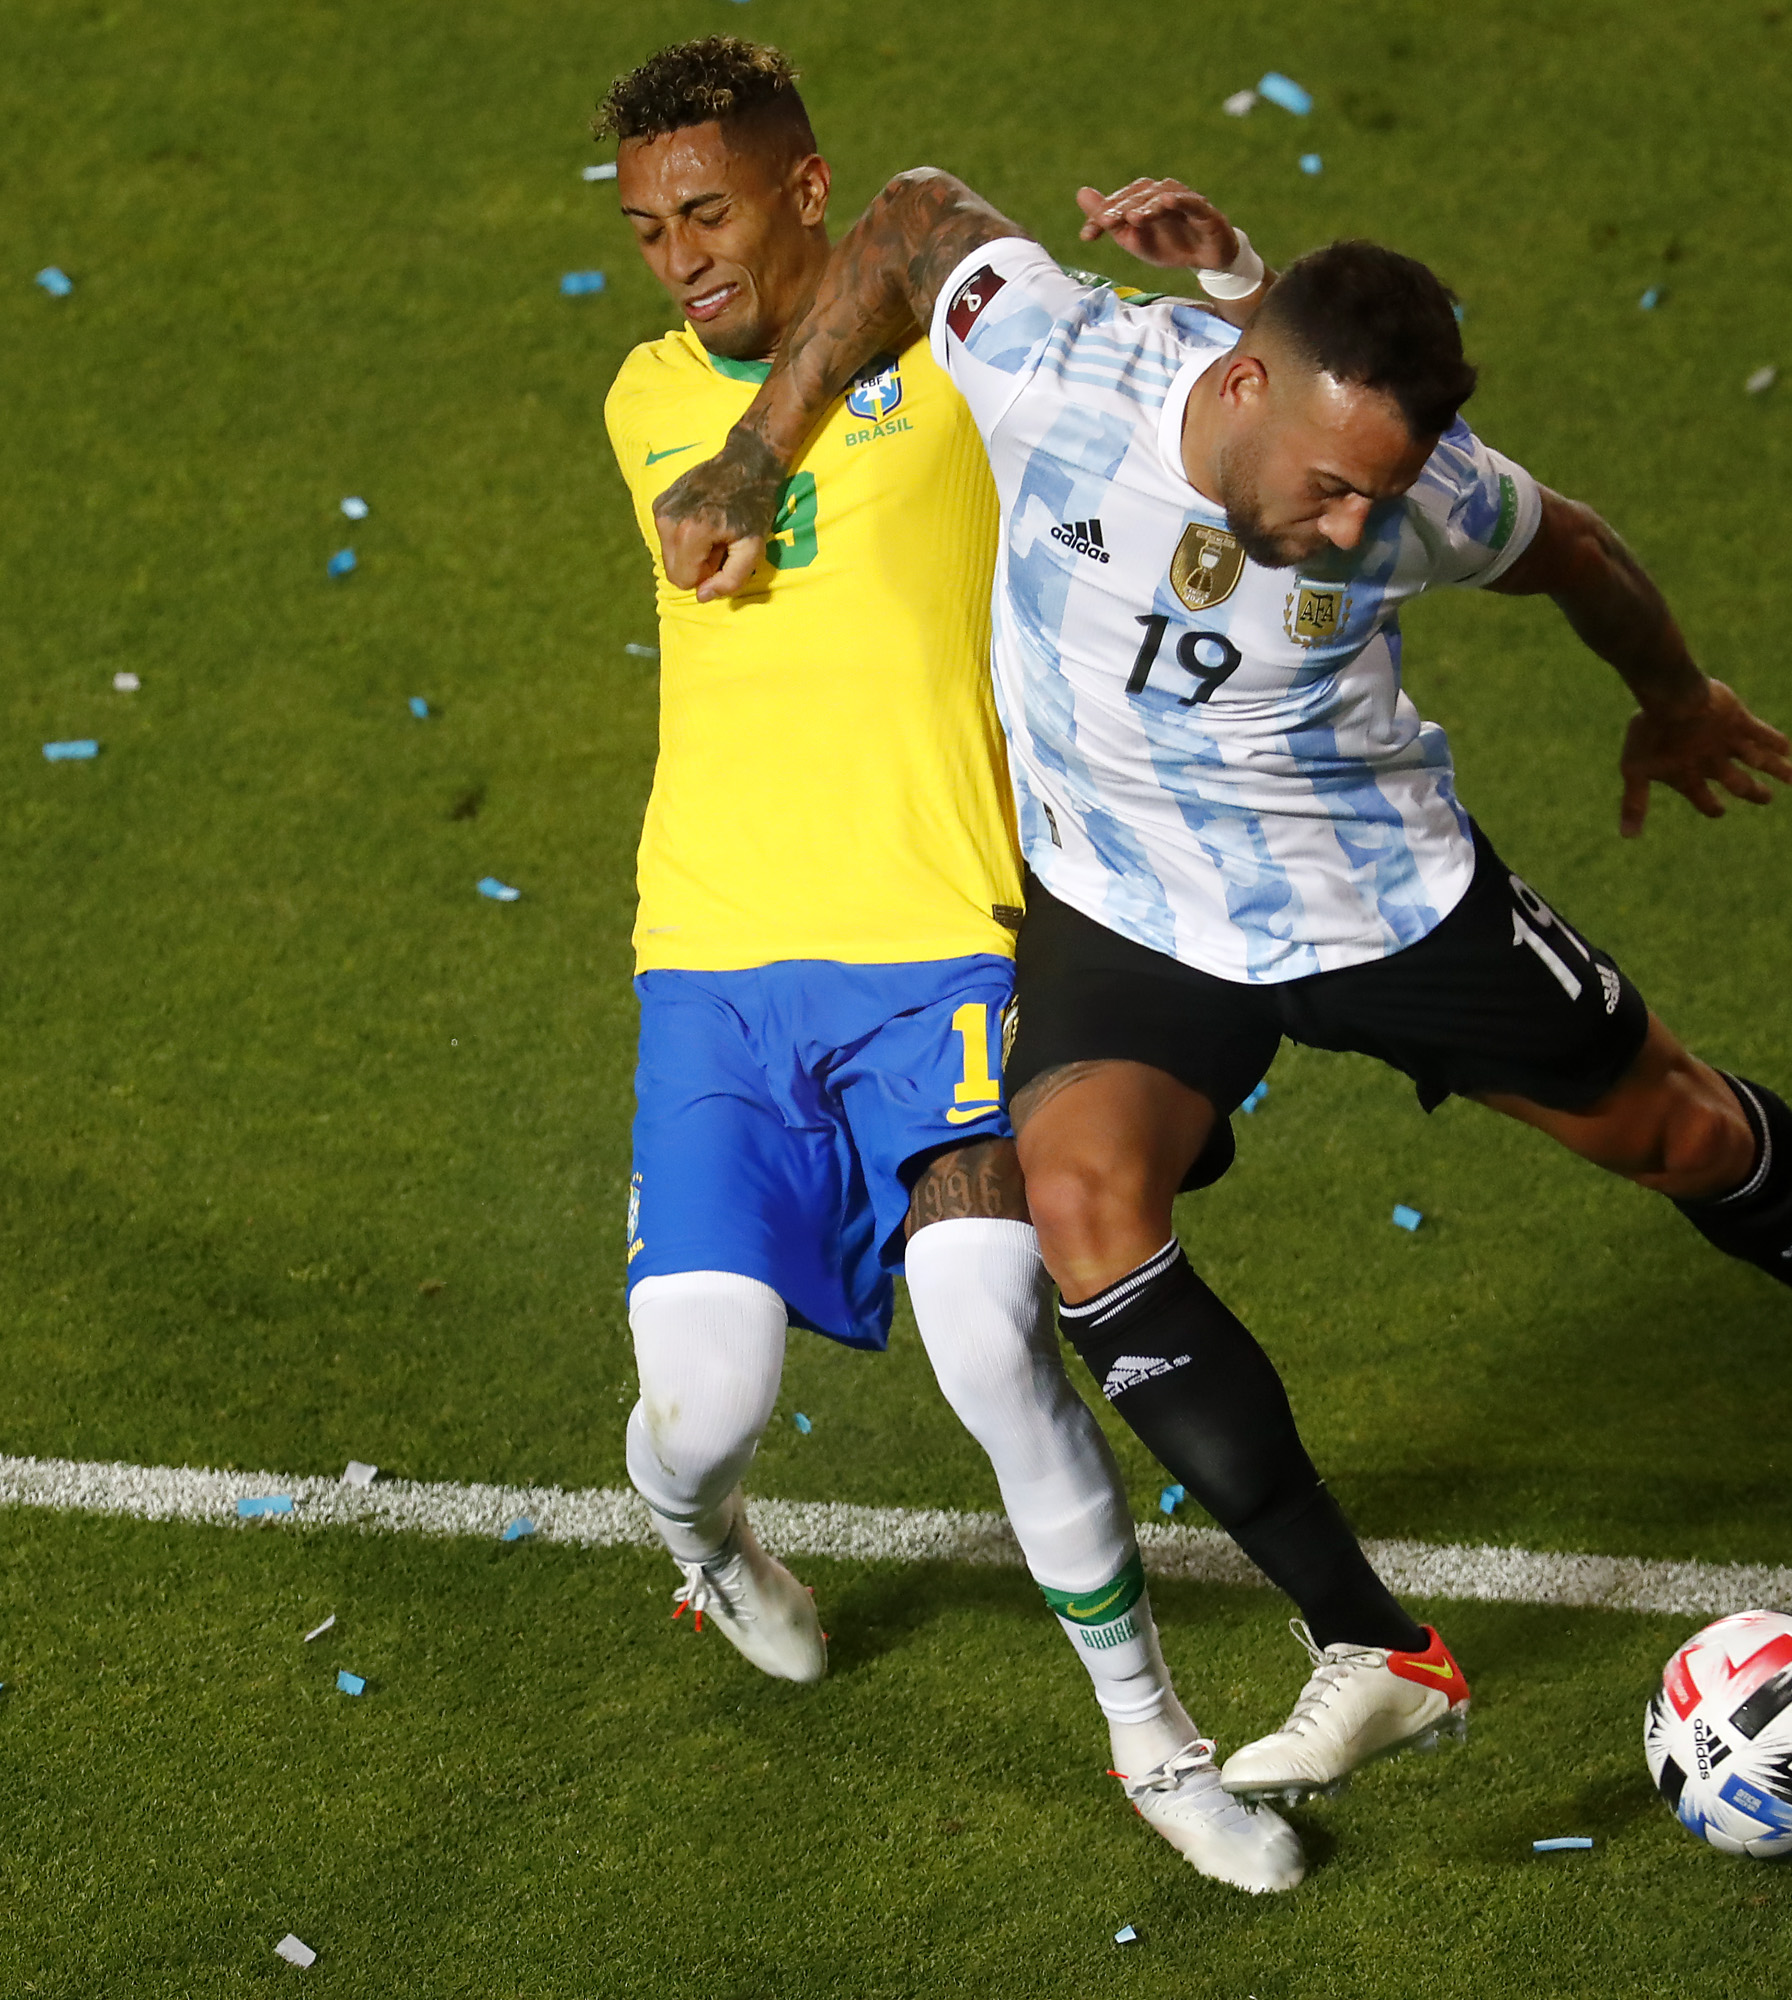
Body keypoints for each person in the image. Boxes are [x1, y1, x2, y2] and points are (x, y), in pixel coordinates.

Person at [653, 165, 1792, 1806]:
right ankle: (1375, 1648)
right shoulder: (1058, 366)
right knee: (1082, 1208)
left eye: (1385, 494)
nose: (1361, 525)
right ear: (1237, 382)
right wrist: (751, 452)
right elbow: (913, 220)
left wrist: (1675, 694)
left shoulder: (1421, 497)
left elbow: (1570, 544)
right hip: (1133, 910)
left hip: (1373, 895)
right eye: (1333, 487)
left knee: (1682, 1136)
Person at [590, 38, 1302, 1890]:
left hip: (950, 941)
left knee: (995, 1337)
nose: (679, 258)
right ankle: (709, 1544)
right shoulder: (637, 403)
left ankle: (1160, 1754)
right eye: (649, 226)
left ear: (804, 191)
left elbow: (1181, 381)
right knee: (702, 1414)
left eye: (711, 211)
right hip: (720, 967)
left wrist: (1227, 277)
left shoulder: (965, 373)